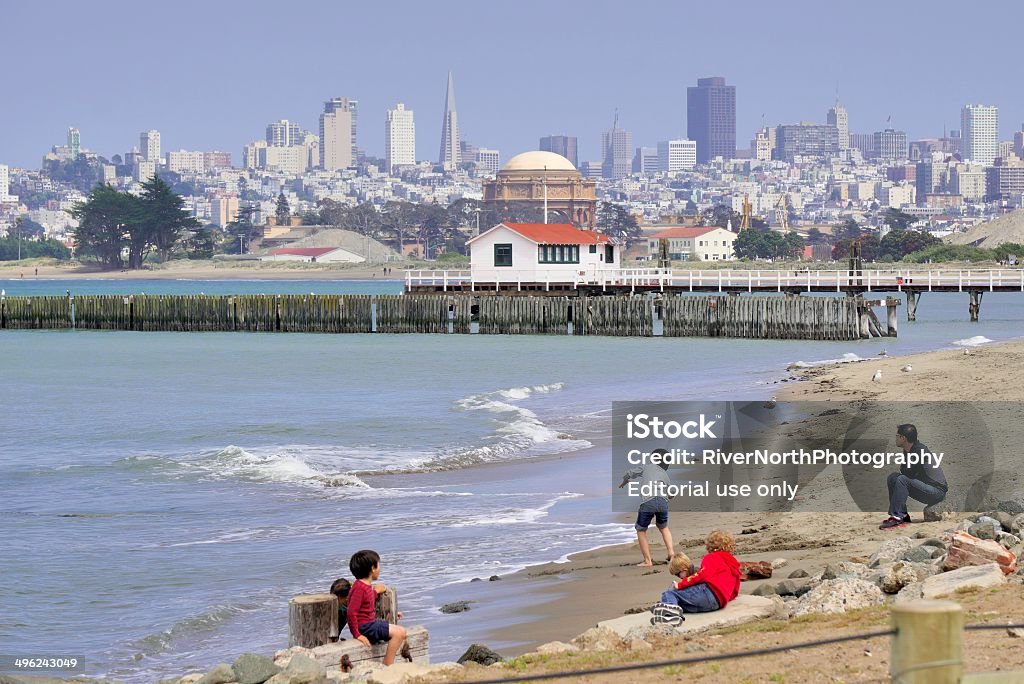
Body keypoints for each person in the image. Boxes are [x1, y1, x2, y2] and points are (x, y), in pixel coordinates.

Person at [652, 530, 741, 626]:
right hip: (718, 603)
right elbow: (736, 587)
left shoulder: (711, 557)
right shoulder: (733, 563)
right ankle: (670, 608)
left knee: (669, 593)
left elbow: (702, 574)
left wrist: (680, 585)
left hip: (709, 593)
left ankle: (670, 612)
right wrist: (727, 598)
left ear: (710, 546)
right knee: (681, 603)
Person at [880, 424, 948, 530]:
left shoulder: (919, 451)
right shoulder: (909, 449)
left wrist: (906, 470)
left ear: (903, 438)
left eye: (897, 436)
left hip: (937, 492)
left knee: (902, 479)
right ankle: (903, 515)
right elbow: (906, 470)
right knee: (893, 477)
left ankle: (897, 517)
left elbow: (908, 473)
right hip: (926, 487)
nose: (896, 438)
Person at [347, 549, 407, 666]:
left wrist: (376, 592)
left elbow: (367, 601)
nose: (380, 568)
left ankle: (387, 663)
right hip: (366, 627)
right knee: (400, 633)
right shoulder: (359, 588)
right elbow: (351, 612)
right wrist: (357, 634)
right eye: (379, 565)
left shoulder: (365, 586)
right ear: (372, 568)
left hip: (370, 624)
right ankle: (387, 665)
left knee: (401, 631)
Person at [619, 449, 675, 566]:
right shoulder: (664, 474)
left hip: (648, 501)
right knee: (664, 528)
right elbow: (671, 493)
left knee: (641, 530)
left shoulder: (646, 467)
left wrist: (625, 481)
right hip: (662, 502)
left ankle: (647, 561)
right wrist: (668, 497)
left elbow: (629, 473)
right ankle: (671, 553)